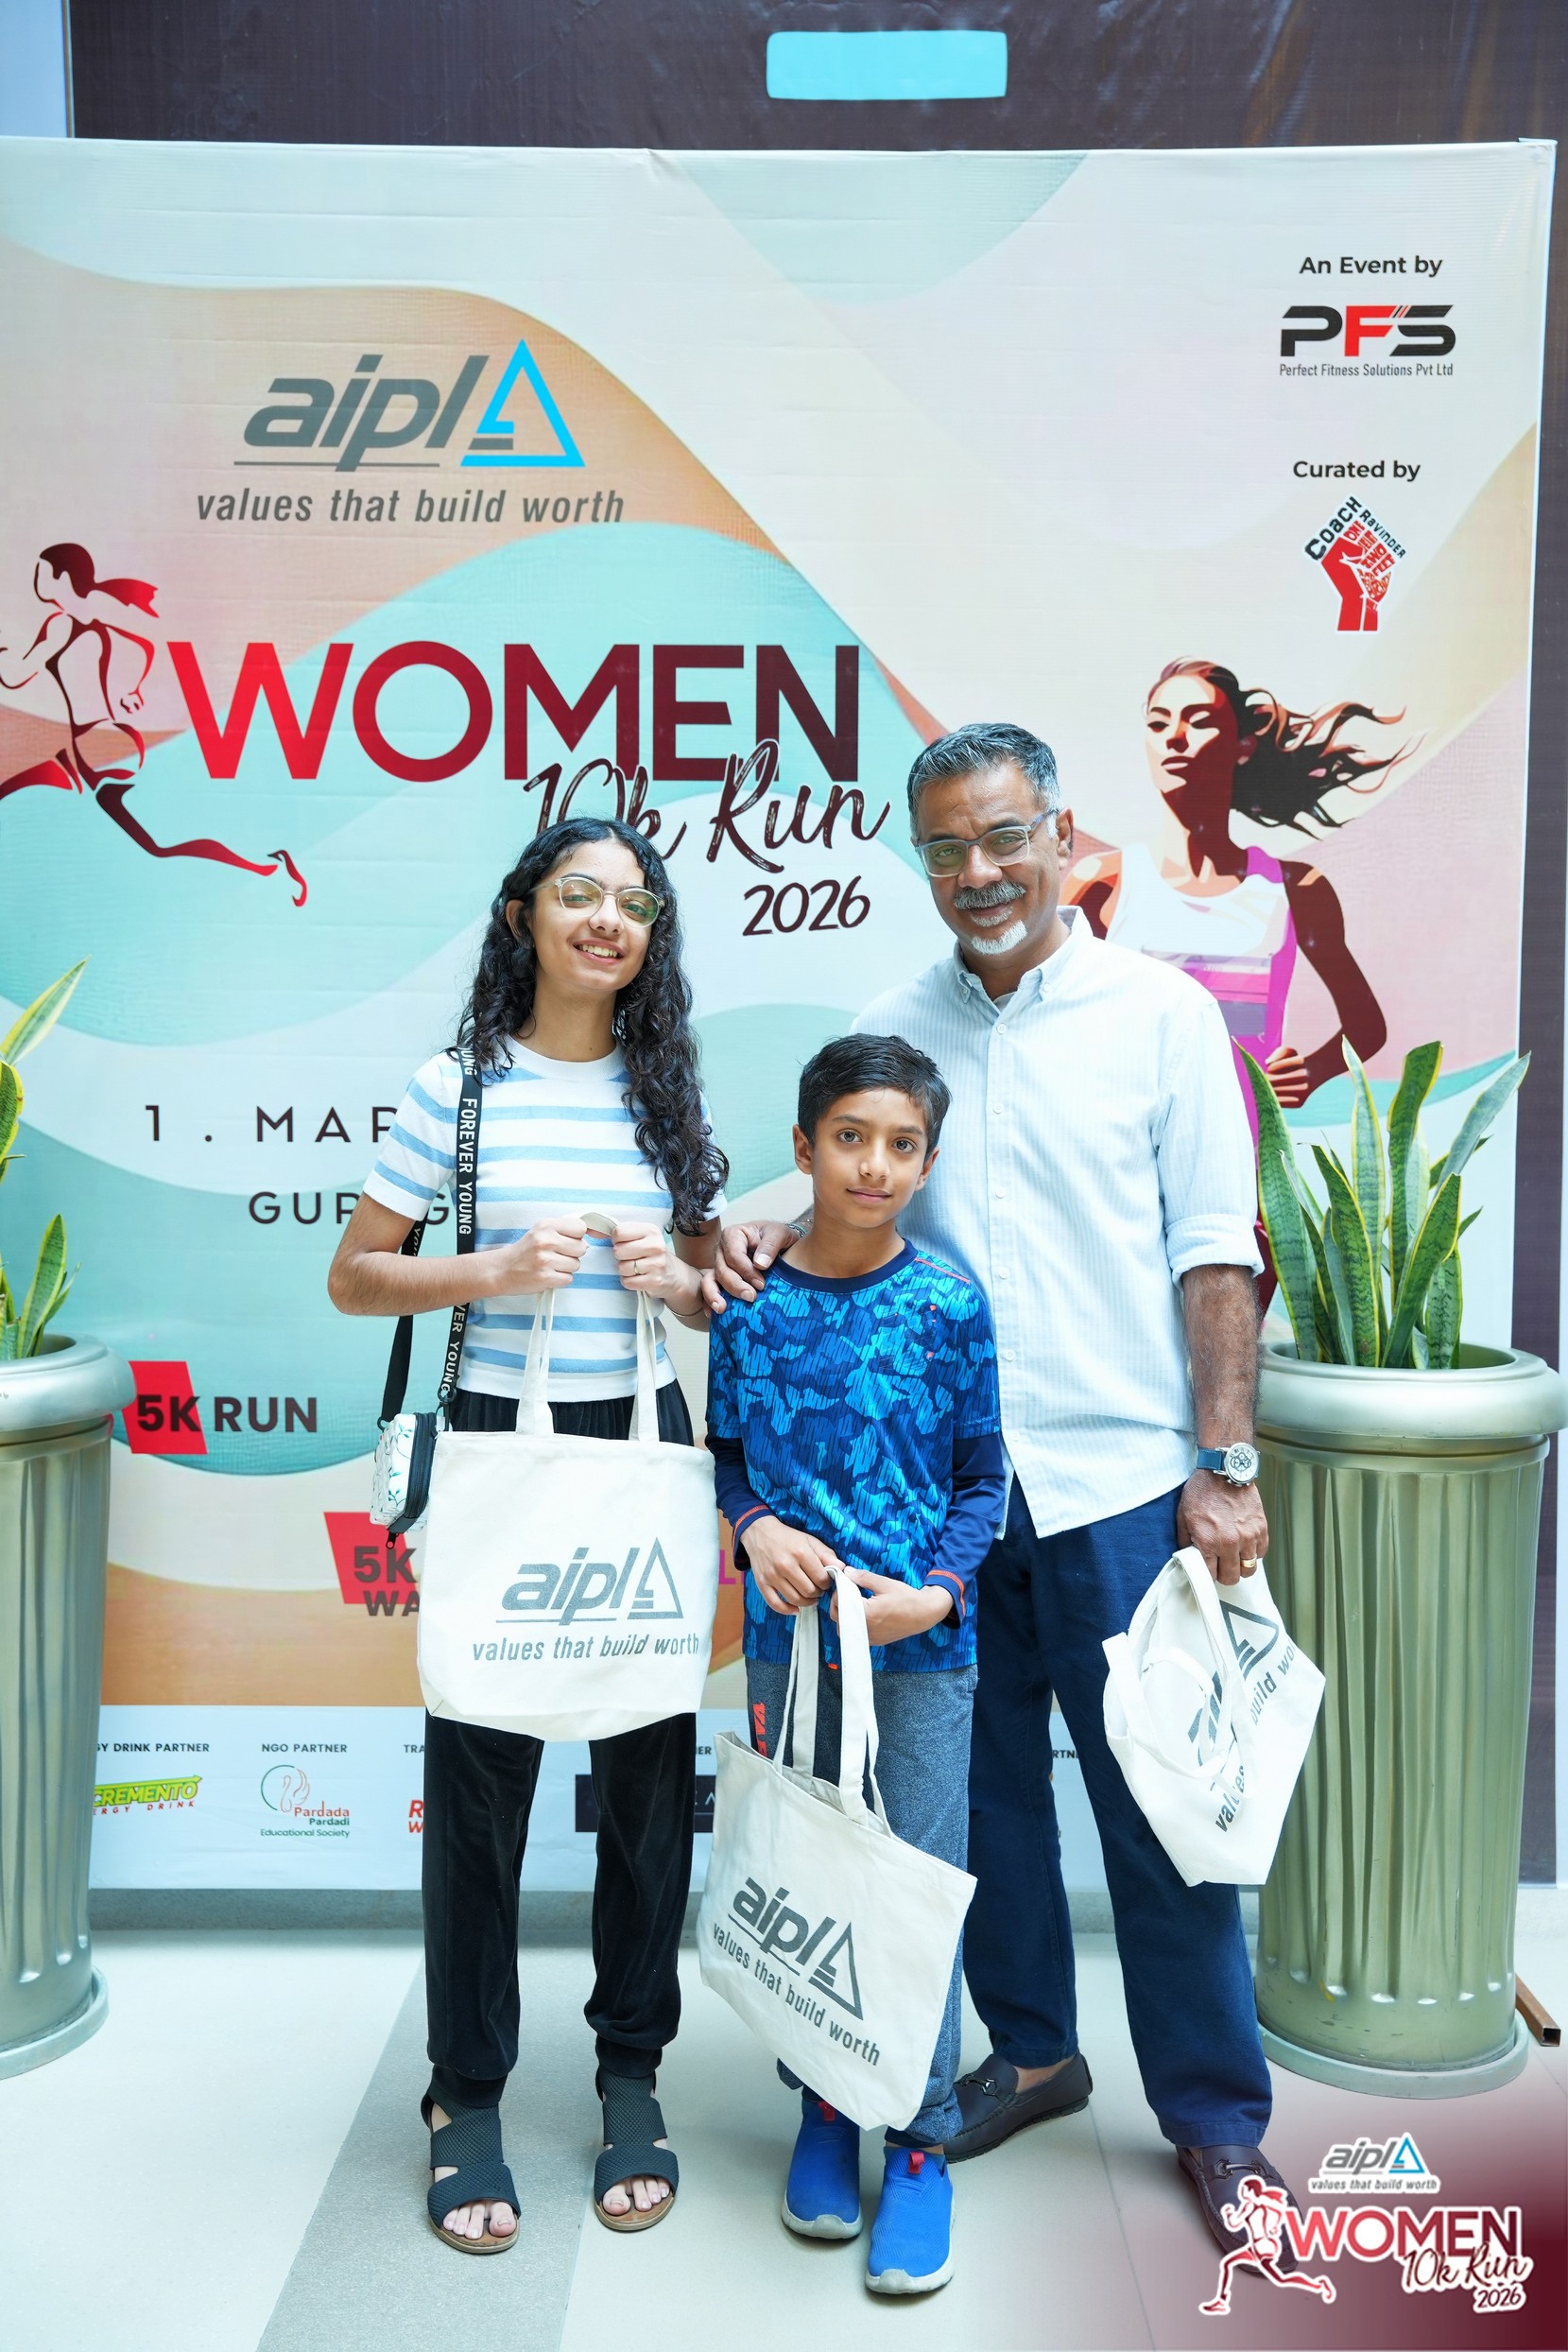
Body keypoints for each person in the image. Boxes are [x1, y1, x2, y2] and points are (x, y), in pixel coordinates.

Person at [708, 720, 1306, 2269]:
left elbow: (1214, 1247)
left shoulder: (1159, 1016)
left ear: (1056, 832)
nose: (976, 871)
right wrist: (752, 1231)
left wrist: (1221, 1465)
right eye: (944, 849)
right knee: (976, 1813)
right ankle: (1032, 2052)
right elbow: (859, 1199)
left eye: (1001, 837)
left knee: (1157, 1813)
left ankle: (1215, 2116)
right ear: (919, 859)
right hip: (945, 1508)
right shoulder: (890, 1024)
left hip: (1120, 1482)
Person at [328, 815, 726, 2250]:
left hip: (641, 1450)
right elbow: (354, 1276)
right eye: (578, 894)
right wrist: (492, 1269)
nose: (608, 919)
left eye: (634, 902)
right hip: (501, 1448)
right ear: (523, 917)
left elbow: (709, 1297)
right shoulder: (458, 1089)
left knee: (647, 1788)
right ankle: (466, 2094)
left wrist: (678, 1280)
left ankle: (632, 2076)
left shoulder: (667, 1091)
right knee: (479, 1793)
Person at [705, 1032, 1005, 2298]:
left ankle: (919, 2140)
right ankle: (825, 2105)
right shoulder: (749, 1300)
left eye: (899, 1145)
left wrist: (931, 1593)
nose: (872, 1165)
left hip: (921, 1655)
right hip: (790, 1654)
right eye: (848, 1138)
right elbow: (726, 1454)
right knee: (810, 1874)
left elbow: (983, 1480)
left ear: (925, 1161)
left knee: (912, 1888)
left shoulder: (947, 1305)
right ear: (804, 1145)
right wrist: (754, 1527)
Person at [1066, 657, 1399, 1107]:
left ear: (1243, 745)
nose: (1174, 738)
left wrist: (1311, 1072)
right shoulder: (1101, 885)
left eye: (1199, 721)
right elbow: (1044, 1013)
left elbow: (1366, 1024)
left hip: (1245, 1145)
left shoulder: (1295, 890)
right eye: (1158, 724)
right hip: (1129, 1145)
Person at [0, 542, 305, 900]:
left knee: (159, 844)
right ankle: (265, 867)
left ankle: (268, 868)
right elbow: (141, 647)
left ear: (62, 577)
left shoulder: (62, 625)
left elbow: (14, 675)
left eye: (42, 572)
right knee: (152, 840)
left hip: (98, 753)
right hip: (90, 748)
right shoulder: (87, 623)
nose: (36, 579)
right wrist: (130, 690)